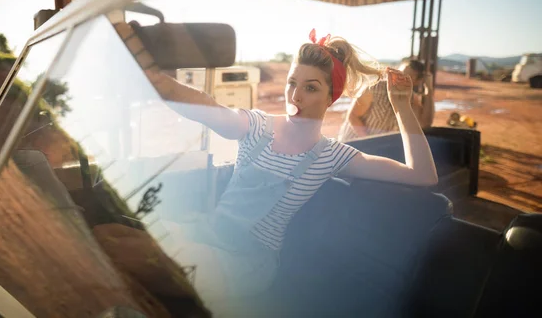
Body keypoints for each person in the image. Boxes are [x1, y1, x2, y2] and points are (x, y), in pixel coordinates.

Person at [123, 26, 438, 315]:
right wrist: (157, 81)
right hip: (208, 233)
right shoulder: (258, 126)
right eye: (292, 83)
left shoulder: (331, 156)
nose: (296, 96)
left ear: (331, 97)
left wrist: (402, 106)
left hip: (247, 263)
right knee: (109, 237)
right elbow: (210, 109)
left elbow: (422, 175)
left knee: (140, 264)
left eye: (311, 88)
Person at [338, 59, 435, 142]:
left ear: (416, 82)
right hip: (352, 144)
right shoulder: (375, 88)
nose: (400, 77)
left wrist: (429, 90)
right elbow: (353, 116)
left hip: (377, 152)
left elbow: (425, 123)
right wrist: (369, 142)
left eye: (407, 77)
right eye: (400, 72)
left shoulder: (412, 100)